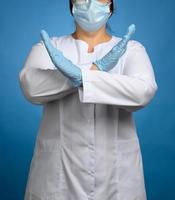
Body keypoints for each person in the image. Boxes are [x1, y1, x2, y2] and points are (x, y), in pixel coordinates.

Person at [19, 0, 158, 199]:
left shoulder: (131, 49)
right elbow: (31, 87)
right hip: (56, 179)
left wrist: (78, 75)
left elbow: (143, 92)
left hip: (117, 178)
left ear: (111, 5)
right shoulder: (48, 47)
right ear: (71, 4)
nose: (91, 3)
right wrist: (95, 71)